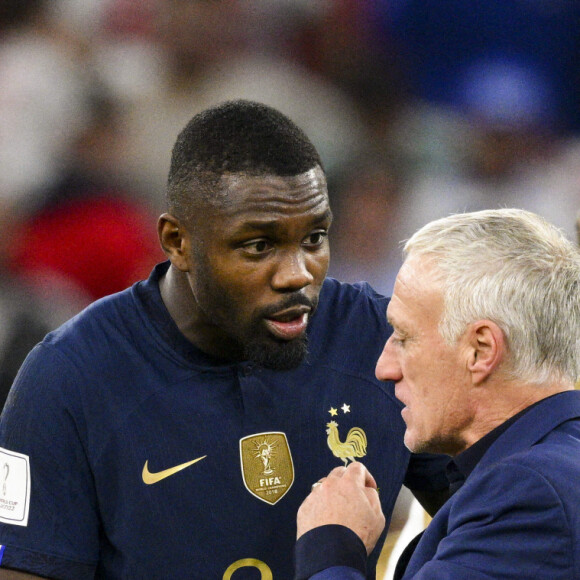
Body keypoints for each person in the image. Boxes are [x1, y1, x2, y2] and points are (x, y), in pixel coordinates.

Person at [0, 100, 448, 579]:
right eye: (259, 245)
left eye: (314, 238)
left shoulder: (386, 342)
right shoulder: (67, 380)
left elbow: (503, 522)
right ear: (177, 241)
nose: (297, 275)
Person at [295, 208, 580, 579]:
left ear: (480, 350)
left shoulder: (530, 492)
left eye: (403, 337)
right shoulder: (555, 463)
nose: (384, 368)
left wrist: (332, 545)